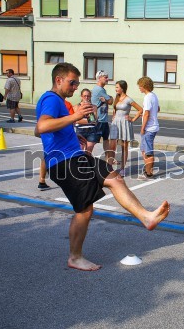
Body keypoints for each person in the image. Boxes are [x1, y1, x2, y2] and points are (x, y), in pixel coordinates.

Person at [35, 63, 170, 271]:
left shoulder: (57, 101)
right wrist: (75, 117)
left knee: (114, 177)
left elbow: (41, 132)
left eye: (77, 83)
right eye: (72, 83)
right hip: (64, 163)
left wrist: (71, 133)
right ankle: (75, 257)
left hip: (76, 156)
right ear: (58, 80)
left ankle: (146, 217)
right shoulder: (51, 99)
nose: (74, 87)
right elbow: (41, 126)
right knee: (85, 210)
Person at [110, 80, 143, 176]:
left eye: (117, 87)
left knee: (124, 146)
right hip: (115, 123)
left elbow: (140, 109)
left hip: (124, 123)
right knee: (112, 145)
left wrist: (132, 119)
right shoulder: (117, 97)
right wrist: (114, 115)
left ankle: (122, 168)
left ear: (122, 88)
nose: (116, 89)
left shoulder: (128, 99)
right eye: (115, 87)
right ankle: (110, 167)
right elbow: (115, 109)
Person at [138, 76, 160, 180]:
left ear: (144, 86)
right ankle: (147, 169)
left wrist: (143, 127)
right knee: (143, 150)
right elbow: (158, 108)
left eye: (140, 86)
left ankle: (149, 173)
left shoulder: (147, 97)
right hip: (153, 126)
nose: (139, 88)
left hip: (149, 128)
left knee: (148, 152)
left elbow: (146, 113)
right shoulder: (154, 96)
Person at [91, 70, 115, 163]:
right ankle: (85, 158)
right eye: (105, 77)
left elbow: (109, 100)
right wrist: (108, 99)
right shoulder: (99, 89)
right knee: (92, 141)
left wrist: (108, 98)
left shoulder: (102, 90)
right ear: (99, 78)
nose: (107, 79)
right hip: (99, 120)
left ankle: (108, 160)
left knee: (106, 140)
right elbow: (110, 101)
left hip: (103, 120)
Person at [74, 89, 99, 153]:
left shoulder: (93, 107)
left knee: (88, 152)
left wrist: (82, 120)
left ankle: (88, 163)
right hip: (80, 130)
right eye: (84, 96)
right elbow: (76, 120)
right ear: (81, 96)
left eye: (88, 96)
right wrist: (89, 121)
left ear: (90, 97)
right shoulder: (76, 107)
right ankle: (81, 163)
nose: (86, 98)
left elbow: (93, 121)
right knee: (80, 151)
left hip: (91, 131)